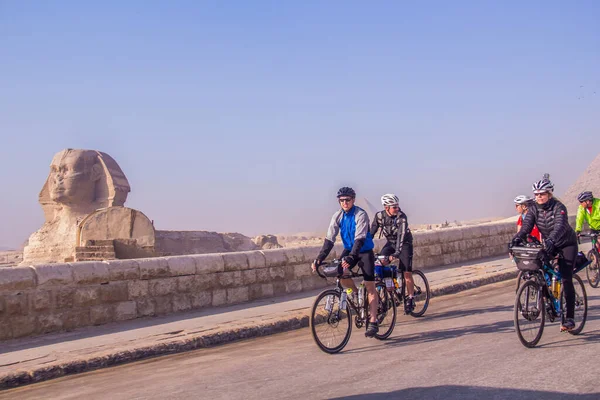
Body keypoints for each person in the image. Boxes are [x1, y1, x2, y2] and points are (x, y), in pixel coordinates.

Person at [511, 175, 578, 332]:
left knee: (566, 277)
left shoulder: (559, 207)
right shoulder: (533, 209)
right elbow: (526, 226)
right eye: (536, 194)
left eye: (542, 194)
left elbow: (560, 227)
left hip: (566, 243)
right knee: (539, 270)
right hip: (549, 243)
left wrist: (551, 241)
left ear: (549, 194)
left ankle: (569, 318)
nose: (539, 197)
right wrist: (515, 239)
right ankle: (548, 301)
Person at [311, 187, 380, 337]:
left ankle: (373, 321)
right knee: (341, 274)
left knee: (370, 285)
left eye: (347, 200)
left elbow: (360, 238)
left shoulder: (360, 214)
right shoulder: (337, 216)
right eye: (341, 200)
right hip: (349, 249)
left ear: (353, 200)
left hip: (364, 250)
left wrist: (350, 258)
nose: (344, 203)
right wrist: (319, 259)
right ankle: (355, 295)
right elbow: (329, 239)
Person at [370, 194, 415, 314]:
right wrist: (364, 249)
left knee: (406, 273)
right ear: (386, 208)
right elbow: (371, 233)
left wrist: (396, 254)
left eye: (397, 206)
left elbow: (401, 237)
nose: (397, 209)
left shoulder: (402, 217)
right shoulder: (379, 216)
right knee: (379, 263)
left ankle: (411, 298)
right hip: (390, 243)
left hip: (404, 243)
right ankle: (390, 288)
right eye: (394, 207)